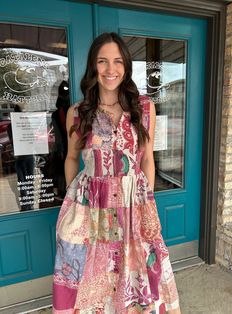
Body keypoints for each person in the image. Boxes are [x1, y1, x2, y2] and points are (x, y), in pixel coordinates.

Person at [53, 32, 181, 314]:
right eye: (102, 61)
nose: (111, 70)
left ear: (126, 66)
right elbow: (72, 157)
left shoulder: (144, 108)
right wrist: (72, 202)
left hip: (133, 204)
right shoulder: (78, 112)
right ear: (92, 66)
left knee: (136, 269)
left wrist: (147, 201)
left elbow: (147, 158)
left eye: (117, 62)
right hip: (90, 206)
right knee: (89, 273)